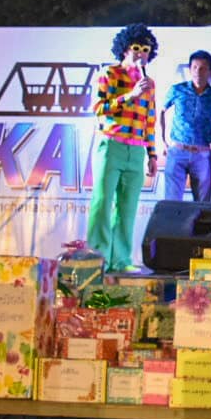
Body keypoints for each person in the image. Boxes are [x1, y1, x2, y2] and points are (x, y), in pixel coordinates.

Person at [87, 24, 158, 271]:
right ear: (125, 49)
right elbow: (98, 108)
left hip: (136, 150)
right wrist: (130, 95)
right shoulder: (109, 73)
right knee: (102, 203)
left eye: (146, 49)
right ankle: (98, 260)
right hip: (111, 145)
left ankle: (121, 260)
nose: (141, 53)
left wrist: (152, 154)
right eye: (136, 47)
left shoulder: (149, 84)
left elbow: (150, 120)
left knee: (127, 209)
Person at [158, 50, 211, 202]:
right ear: (189, 69)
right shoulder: (177, 90)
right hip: (177, 151)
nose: (198, 72)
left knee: (202, 204)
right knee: (172, 202)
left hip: (202, 153)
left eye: (203, 68)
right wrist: (163, 141)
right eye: (194, 67)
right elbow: (161, 112)